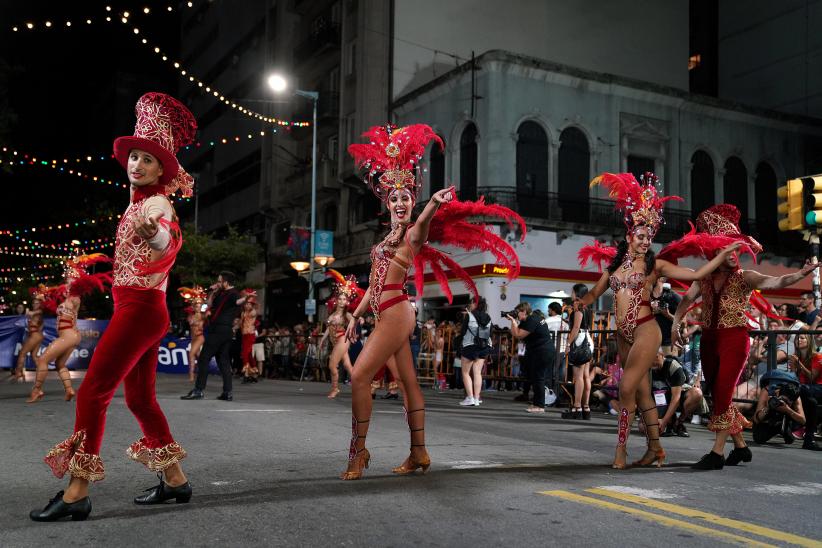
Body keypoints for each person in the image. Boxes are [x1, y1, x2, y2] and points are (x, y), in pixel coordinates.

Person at [30, 93, 196, 521]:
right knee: (139, 399)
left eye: (147, 159)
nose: (136, 164)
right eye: (134, 157)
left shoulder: (156, 205)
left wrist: (155, 234)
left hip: (140, 310)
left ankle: (76, 492)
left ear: (162, 169)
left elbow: (168, 240)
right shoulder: (136, 202)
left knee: (93, 391)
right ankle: (175, 480)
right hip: (143, 311)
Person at [341, 123, 524, 480]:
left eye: (405, 199)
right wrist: (354, 316)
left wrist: (432, 207)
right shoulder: (385, 239)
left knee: (361, 377)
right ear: (386, 202)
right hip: (383, 313)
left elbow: (422, 226)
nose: (399, 204)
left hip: (396, 314)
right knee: (409, 384)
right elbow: (373, 286)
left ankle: (358, 452)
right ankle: (419, 452)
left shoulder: (411, 234)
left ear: (413, 202)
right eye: (394, 199)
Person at [577, 172, 740, 469]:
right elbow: (592, 295)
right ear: (629, 236)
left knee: (625, 389)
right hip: (622, 335)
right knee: (641, 394)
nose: (645, 241)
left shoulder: (656, 265)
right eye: (640, 236)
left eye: (649, 237)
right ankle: (656, 451)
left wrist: (722, 254)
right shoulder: (613, 269)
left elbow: (696, 275)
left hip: (645, 331)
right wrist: (577, 304)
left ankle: (621, 450)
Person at [666, 204, 819, 469]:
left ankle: (716, 454)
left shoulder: (745, 277)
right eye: (730, 249)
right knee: (718, 395)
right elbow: (684, 303)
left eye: (738, 248)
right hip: (710, 340)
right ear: (717, 251)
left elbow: (775, 283)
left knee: (724, 394)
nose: (736, 253)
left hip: (735, 340)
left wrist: (800, 274)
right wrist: (675, 324)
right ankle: (741, 446)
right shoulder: (703, 278)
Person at [28, 254, 111, 403]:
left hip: (68, 336)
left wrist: (74, 272)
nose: (67, 281)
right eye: (66, 278)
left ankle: (37, 390)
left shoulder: (74, 298)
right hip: (71, 335)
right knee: (60, 364)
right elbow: (56, 300)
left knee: (42, 360)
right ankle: (69, 390)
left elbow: (70, 290)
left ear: (77, 282)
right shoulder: (67, 299)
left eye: (70, 279)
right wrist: (45, 297)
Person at [181, 271, 252, 401]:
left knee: (204, 358)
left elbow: (238, 302)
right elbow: (207, 305)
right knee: (223, 361)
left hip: (220, 330)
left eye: (220, 281)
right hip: (222, 330)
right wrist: (212, 292)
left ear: (226, 282)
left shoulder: (233, 294)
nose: (217, 283)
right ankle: (227, 392)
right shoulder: (220, 293)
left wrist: (246, 298)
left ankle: (199, 390)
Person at [319, 272, 362, 398]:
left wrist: (359, 321)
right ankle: (361, 387)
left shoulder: (347, 315)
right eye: (340, 299)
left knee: (332, 365)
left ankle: (335, 388)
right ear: (337, 300)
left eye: (345, 299)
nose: (342, 301)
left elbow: (355, 320)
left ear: (347, 301)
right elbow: (328, 329)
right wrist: (322, 340)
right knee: (348, 366)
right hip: (335, 341)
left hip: (342, 340)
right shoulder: (332, 314)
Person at [508, 302, 555, 413]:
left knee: (539, 378)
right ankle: (536, 404)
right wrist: (513, 321)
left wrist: (514, 322)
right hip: (539, 351)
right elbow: (515, 333)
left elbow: (519, 335)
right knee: (535, 377)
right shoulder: (530, 320)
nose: (517, 315)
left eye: (518, 313)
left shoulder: (532, 320)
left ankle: (540, 406)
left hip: (543, 351)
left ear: (524, 311)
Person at [650, 350, 703, 437]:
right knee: (643, 427)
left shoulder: (674, 366)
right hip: (658, 399)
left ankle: (678, 423)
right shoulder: (647, 367)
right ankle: (669, 422)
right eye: (650, 359)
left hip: (677, 396)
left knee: (697, 393)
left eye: (656, 358)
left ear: (662, 355)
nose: (653, 362)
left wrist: (664, 421)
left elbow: (676, 398)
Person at [563, 283, 594, 419]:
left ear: (577, 293)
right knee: (586, 376)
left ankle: (577, 407)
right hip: (588, 339)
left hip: (580, 340)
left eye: (572, 291)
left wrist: (568, 343)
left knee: (579, 376)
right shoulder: (587, 308)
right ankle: (586, 407)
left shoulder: (578, 307)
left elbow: (575, 328)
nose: (571, 294)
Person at [788, 331, 822, 450]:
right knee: (810, 401)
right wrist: (793, 368)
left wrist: (799, 365)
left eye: (802, 338)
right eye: (797, 338)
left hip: (817, 387)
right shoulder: (796, 357)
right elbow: (794, 378)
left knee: (803, 390)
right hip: (804, 389)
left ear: (808, 341)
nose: (799, 340)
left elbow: (812, 377)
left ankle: (799, 425)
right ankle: (808, 438)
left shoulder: (817, 356)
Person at [752, 370, 805, 445]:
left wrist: (788, 409)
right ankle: (778, 427)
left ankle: (786, 428)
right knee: (759, 438)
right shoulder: (767, 391)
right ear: (778, 392)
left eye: (788, 402)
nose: (784, 402)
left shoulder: (795, 396)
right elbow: (756, 420)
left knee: (789, 439)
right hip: (768, 417)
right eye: (784, 399)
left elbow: (803, 420)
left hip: (787, 415)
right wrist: (768, 407)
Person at [459, 296, 492, 407]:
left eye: (471, 302)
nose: (470, 304)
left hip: (469, 345)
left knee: (465, 372)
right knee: (477, 373)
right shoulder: (488, 317)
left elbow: (463, 331)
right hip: (483, 346)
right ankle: (477, 399)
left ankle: (470, 398)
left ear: (475, 304)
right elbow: (489, 333)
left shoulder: (470, 315)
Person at [11, 286, 46, 382]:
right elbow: (41, 325)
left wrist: (27, 311)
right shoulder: (38, 312)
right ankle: (42, 372)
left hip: (35, 335)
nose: (35, 304)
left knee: (22, 353)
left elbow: (29, 314)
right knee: (34, 356)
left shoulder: (39, 311)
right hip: (37, 335)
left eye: (37, 303)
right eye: (34, 303)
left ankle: (18, 373)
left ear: (40, 304)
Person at [178, 285, 207, 383]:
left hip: (200, 336)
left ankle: (191, 375)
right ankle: (202, 373)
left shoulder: (204, 316)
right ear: (194, 307)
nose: (198, 308)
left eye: (199, 306)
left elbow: (209, 312)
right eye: (196, 306)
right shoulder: (190, 316)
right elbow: (190, 322)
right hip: (193, 338)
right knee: (198, 355)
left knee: (191, 354)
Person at [652, 278, 680, 356]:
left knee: (669, 367)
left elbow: (683, 322)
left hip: (667, 343)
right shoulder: (646, 295)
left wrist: (668, 315)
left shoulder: (673, 296)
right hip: (650, 343)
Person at [239, 290, 260, 383]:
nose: (247, 305)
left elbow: (257, 307)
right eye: (246, 304)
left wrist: (247, 296)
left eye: (249, 304)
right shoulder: (243, 313)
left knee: (245, 353)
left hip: (250, 335)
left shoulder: (253, 312)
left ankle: (246, 373)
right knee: (249, 355)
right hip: (244, 335)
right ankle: (254, 373)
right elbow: (241, 324)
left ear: (252, 305)